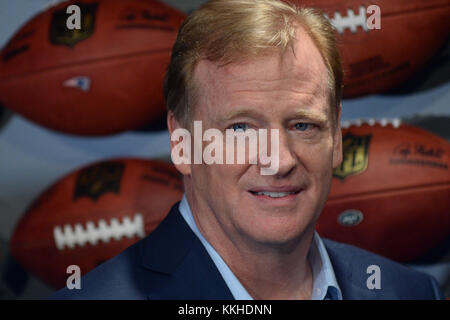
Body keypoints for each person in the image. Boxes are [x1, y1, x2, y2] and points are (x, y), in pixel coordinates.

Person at [50, 0, 443, 300]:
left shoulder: (409, 292)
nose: (280, 160)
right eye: (241, 128)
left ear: (337, 138)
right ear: (181, 143)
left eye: (303, 125)